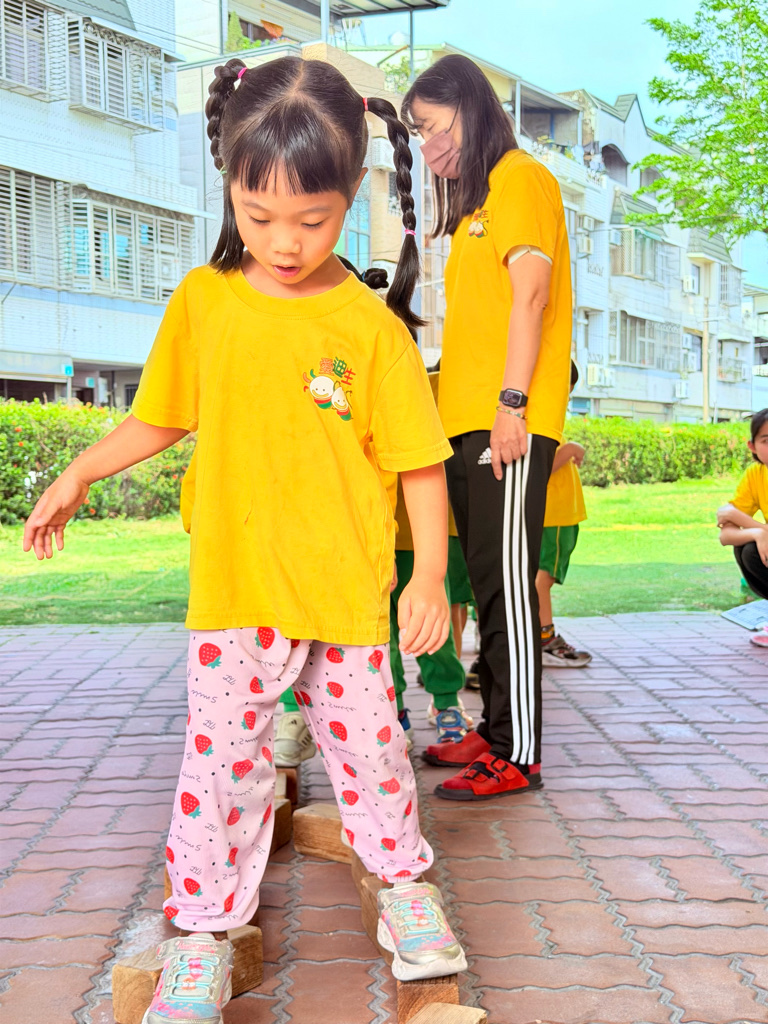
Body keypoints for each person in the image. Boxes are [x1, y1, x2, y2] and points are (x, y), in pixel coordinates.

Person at [23, 55, 467, 1022]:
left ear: (352, 195)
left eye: (312, 219)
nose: (284, 242)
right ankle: (203, 936)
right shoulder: (205, 302)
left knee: (375, 753)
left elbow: (420, 466)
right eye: (258, 216)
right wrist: (79, 472)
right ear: (229, 185)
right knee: (221, 767)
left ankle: (405, 887)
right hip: (235, 589)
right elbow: (160, 415)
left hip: (343, 594)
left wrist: (429, 574)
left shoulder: (374, 330)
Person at [403, 55, 572, 799]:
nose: (427, 143)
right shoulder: (479, 206)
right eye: (417, 133)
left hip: (505, 420)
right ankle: (497, 730)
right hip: (467, 421)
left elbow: (531, 297)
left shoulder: (520, 179)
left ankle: (519, 751)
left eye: (432, 125)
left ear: (468, 109)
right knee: (485, 582)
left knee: (506, 588)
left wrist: (512, 405)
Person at [390, 452, 474, 747]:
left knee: (432, 626)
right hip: (366, 532)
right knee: (379, 637)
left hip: (420, 536)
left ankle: (446, 701)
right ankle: (393, 708)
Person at [536, 362, 592, 668]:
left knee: (541, 576)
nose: (566, 400)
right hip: (554, 516)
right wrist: (569, 449)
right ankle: (545, 639)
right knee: (542, 577)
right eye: (565, 393)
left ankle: (540, 636)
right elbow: (538, 468)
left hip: (556, 515)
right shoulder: (538, 416)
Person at [718, 408, 768, 647]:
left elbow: (730, 518)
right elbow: (726, 535)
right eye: (766, 441)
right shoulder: (756, 474)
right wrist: (757, 532)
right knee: (747, 548)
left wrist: (736, 516)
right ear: (752, 446)